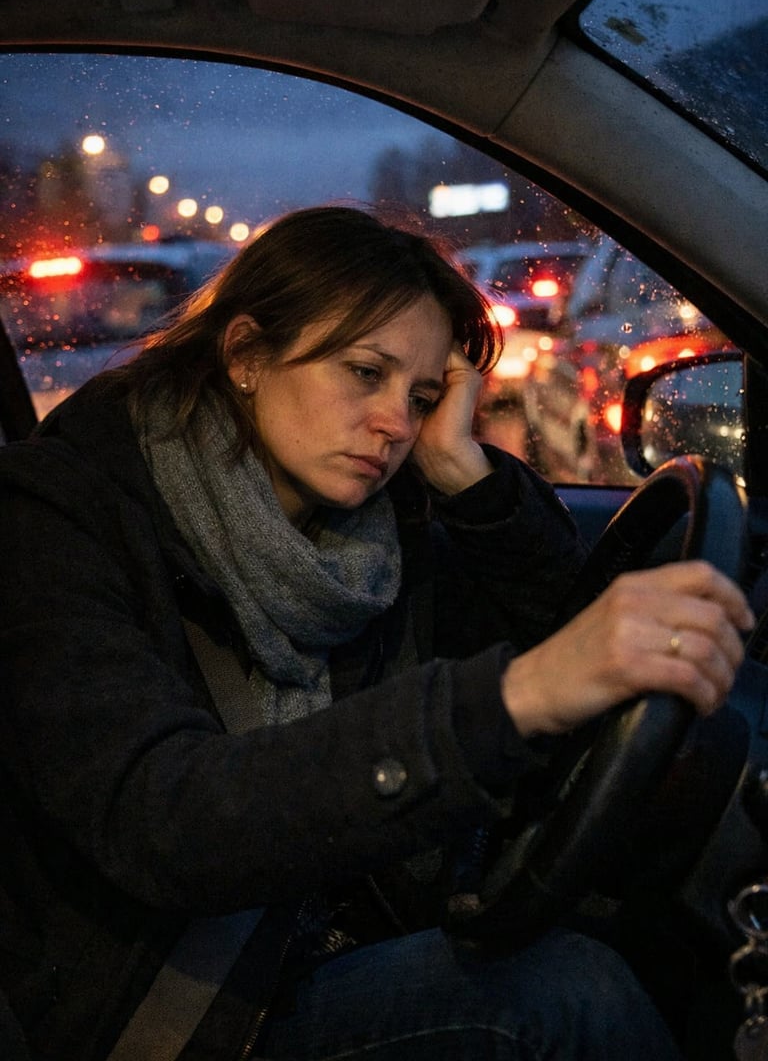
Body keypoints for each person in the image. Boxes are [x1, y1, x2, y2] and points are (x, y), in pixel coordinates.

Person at [0, 205, 752, 1061]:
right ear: (246, 356)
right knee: (565, 998)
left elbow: (571, 643)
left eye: (421, 397)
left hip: (335, 932)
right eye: (365, 373)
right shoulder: (56, 519)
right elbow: (163, 816)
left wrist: (465, 474)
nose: (397, 422)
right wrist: (513, 697)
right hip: (180, 1013)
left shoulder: (377, 533)